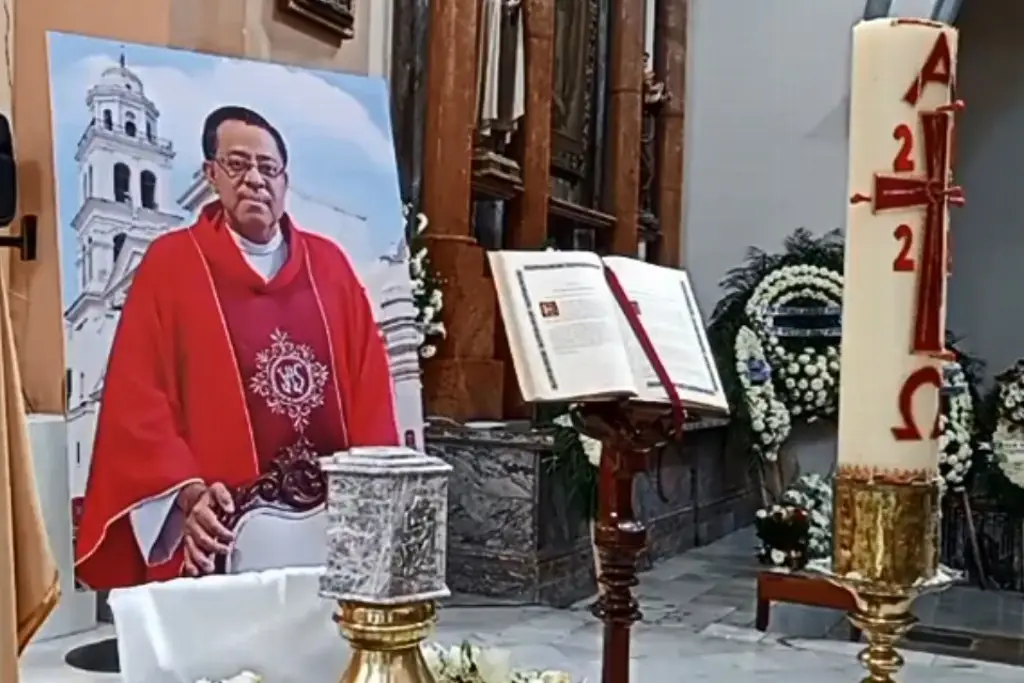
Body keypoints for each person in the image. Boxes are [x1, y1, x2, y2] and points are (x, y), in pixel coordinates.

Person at [74, 106, 400, 589]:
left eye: (268, 168)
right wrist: (185, 493)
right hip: (217, 532)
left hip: (333, 530)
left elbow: (371, 386)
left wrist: (375, 501)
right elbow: (138, 397)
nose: (254, 180)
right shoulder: (172, 265)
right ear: (211, 173)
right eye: (237, 164)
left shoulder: (329, 266)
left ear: (285, 181)